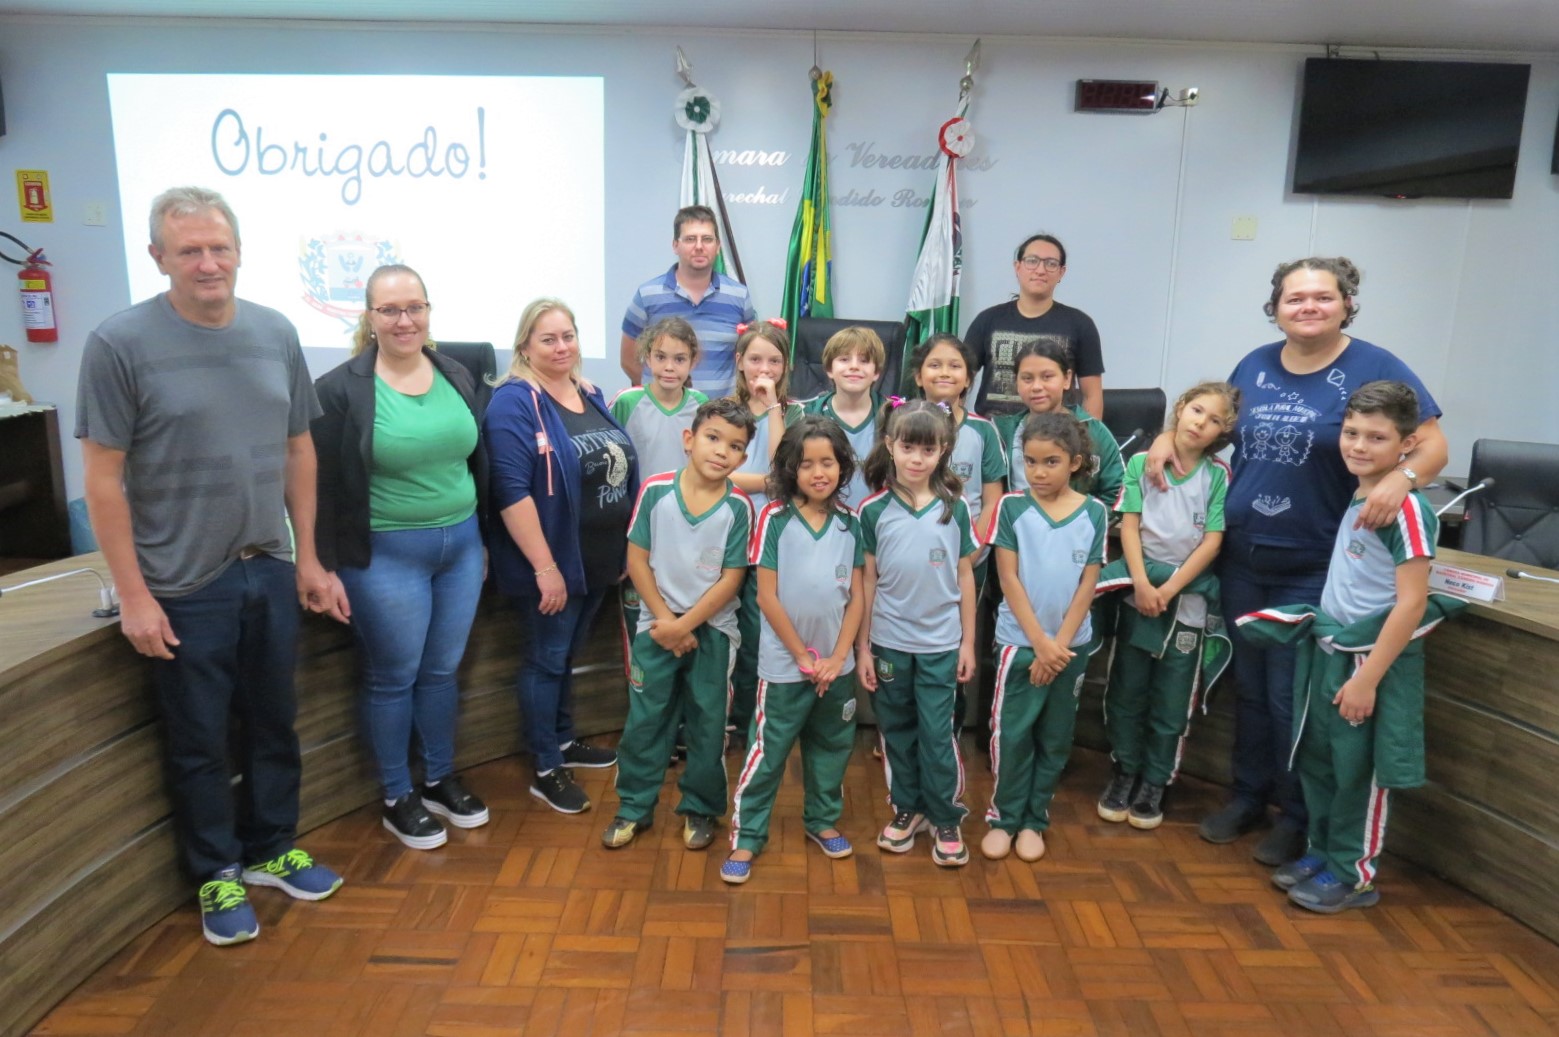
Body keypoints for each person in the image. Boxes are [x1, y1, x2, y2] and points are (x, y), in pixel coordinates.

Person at [76, 186, 341, 946]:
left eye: (218, 247)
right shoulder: (118, 343)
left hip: (267, 564)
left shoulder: (275, 331)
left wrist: (310, 556)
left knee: (272, 723)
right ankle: (216, 873)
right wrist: (132, 593)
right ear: (158, 257)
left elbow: (299, 448)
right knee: (198, 741)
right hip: (183, 582)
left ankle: (269, 846)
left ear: (239, 251)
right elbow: (102, 478)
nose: (206, 262)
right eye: (188, 249)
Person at [1144, 257, 1448, 868]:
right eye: (1294, 297)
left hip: (1314, 563)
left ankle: (1298, 814)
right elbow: (1209, 426)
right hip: (1242, 555)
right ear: (1275, 306)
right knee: (1249, 689)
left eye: (1322, 297)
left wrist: (1406, 478)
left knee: (1294, 699)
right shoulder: (1252, 366)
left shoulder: (1377, 366)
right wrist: (1162, 437)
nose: (1308, 307)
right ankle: (1248, 795)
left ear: (1347, 303)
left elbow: (1433, 440)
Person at [1236, 381, 1461, 913]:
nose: (1358, 445)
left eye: (1376, 437)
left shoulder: (1406, 509)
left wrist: (1367, 679)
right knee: (1320, 761)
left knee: (1359, 772)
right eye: (1351, 432)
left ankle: (1354, 873)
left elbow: (1410, 604)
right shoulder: (1359, 489)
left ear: (1406, 444)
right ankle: (1323, 851)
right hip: (1329, 650)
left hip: (1367, 663)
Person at [311, 264, 490, 851]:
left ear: (429, 311)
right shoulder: (340, 389)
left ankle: (438, 778)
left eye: (415, 307)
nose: (404, 319)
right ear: (368, 317)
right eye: (389, 310)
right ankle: (397, 795)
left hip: (461, 549)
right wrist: (320, 565)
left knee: (441, 672)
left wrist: (483, 540)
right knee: (394, 678)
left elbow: (474, 462)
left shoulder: (455, 372)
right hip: (384, 556)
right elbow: (322, 486)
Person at [485, 298, 638, 815]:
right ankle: (547, 766)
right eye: (547, 339)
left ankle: (566, 739)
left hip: (595, 558)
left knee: (567, 657)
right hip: (550, 563)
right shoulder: (513, 402)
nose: (561, 347)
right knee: (546, 660)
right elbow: (510, 489)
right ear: (525, 345)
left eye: (568, 336)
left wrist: (619, 548)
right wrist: (544, 568)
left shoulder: (587, 392)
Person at [603, 398, 755, 851]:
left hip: (712, 632)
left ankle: (700, 809)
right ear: (689, 439)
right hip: (656, 625)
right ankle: (633, 807)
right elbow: (637, 558)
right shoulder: (655, 490)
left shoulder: (739, 507)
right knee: (646, 721)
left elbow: (733, 579)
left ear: (743, 458)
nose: (721, 451)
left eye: (735, 446)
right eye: (712, 438)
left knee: (709, 723)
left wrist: (686, 623)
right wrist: (667, 622)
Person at [723, 418, 866, 884]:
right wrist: (804, 658)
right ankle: (748, 836)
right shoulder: (774, 519)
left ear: (842, 466)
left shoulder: (851, 522)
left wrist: (837, 655)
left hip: (835, 668)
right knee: (769, 752)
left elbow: (858, 596)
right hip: (787, 667)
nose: (818, 472)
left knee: (831, 749)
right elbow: (766, 596)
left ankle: (822, 820)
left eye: (828, 462)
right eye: (806, 464)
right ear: (791, 469)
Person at [1094, 383, 1237, 831]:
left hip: (1186, 599)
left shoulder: (1217, 476)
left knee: (1172, 700)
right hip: (1140, 594)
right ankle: (1125, 771)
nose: (1201, 422)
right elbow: (1130, 527)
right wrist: (1141, 583)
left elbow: (1213, 541)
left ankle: (1156, 780)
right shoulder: (1142, 463)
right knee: (1127, 691)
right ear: (1180, 408)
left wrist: (1171, 588)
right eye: (1197, 410)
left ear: (1222, 431)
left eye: (1214, 420)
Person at [856, 400, 978, 867]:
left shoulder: (955, 508)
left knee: (936, 734)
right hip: (889, 645)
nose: (916, 459)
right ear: (890, 445)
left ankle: (945, 815)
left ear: (943, 450)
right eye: (907, 447)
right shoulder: (872, 511)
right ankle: (908, 810)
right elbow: (867, 582)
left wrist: (967, 642)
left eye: (928, 450)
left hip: (942, 645)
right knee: (898, 734)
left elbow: (966, 577)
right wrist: (863, 649)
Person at [982, 412, 1107, 862]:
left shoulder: (1094, 512)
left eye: (1050, 462)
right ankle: (1004, 816)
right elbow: (1008, 580)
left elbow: (1087, 586)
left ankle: (1035, 819)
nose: (1038, 472)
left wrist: (1061, 646)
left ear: (1075, 462)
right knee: (1012, 734)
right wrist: (1041, 643)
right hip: (1021, 642)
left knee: (1054, 737)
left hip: (1070, 647)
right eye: (1030, 462)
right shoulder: (1012, 507)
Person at [909, 333, 1005, 734]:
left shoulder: (983, 432)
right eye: (934, 364)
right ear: (918, 375)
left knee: (957, 639)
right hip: (912, 556)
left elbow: (993, 494)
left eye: (954, 366)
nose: (944, 372)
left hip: (967, 558)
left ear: (968, 379)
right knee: (909, 636)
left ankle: (946, 725)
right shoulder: (903, 423)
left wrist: (972, 549)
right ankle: (902, 726)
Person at [726, 320, 805, 753]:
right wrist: (756, 481)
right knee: (724, 633)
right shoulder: (726, 409)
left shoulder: (793, 414)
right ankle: (727, 720)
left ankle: (756, 723)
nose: (764, 369)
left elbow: (782, 471)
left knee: (758, 635)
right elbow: (713, 468)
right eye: (755, 359)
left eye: (774, 361)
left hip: (769, 540)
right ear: (739, 362)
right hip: (727, 535)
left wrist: (773, 406)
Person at [610, 317, 708, 655]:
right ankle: (642, 690)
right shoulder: (627, 402)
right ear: (646, 358)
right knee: (641, 627)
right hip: (640, 535)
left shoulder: (702, 405)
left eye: (679, 359)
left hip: (688, 534)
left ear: (693, 361)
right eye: (660, 357)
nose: (669, 367)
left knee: (686, 611)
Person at [618, 205, 756, 400]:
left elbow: (750, 356)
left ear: (717, 247)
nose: (699, 246)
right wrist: (662, 397)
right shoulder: (647, 295)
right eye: (690, 239)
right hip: (664, 417)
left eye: (707, 239)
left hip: (722, 417)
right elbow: (629, 360)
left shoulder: (739, 296)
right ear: (675, 245)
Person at [965, 233, 1105, 420]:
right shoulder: (987, 320)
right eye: (1032, 261)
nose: (1040, 270)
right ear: (1018, 267)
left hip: (1057, 435)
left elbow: (1092, 396)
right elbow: (961, 380)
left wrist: (1087, 443)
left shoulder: (1080, 324)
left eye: (1051, 263)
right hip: (994, 432)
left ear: (1061, 272)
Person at [993, 339, 1123, 507]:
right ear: (1016, 382)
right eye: (1027, 378)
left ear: (1067, 378)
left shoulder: (1093, 431)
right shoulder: (1001, 432)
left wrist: (1084, 524)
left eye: (1047, 377)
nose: (1037, 386)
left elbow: (1118, 495)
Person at [802, 325, 887, 509]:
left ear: (877, 373)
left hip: (877, 523)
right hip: (825, 518)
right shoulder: (807, 415)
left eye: (864, 360)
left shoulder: (893, 416)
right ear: (829, 369)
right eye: (844, 359)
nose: (854, 366)